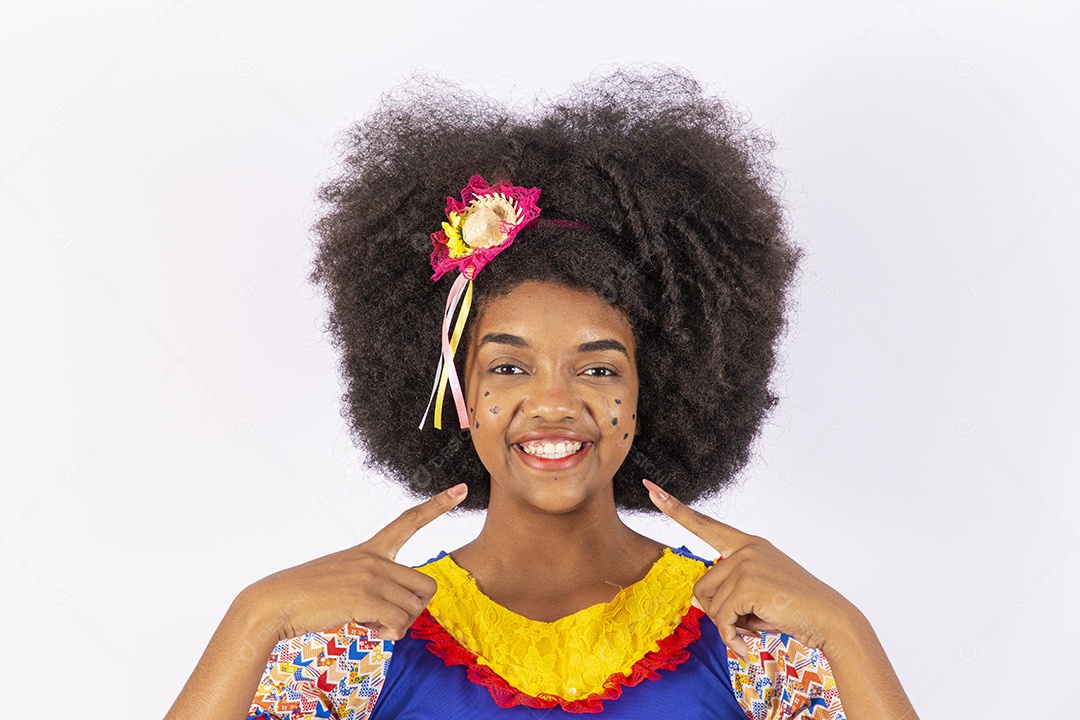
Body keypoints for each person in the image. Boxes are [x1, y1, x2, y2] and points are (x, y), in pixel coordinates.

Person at [163, 65, 919, 719]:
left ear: (652, 391)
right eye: (509, 367)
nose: (554, 403)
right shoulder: (364, 633)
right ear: (454, 389)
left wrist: (846, 630)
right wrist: (254, 617)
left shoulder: (741, 624)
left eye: (597, 369)